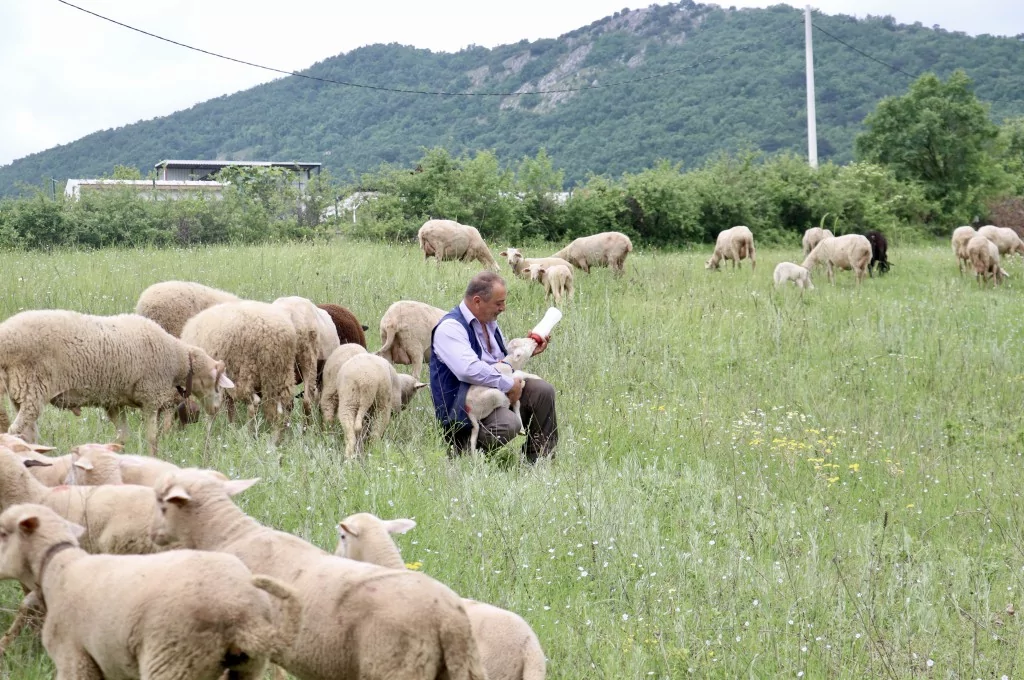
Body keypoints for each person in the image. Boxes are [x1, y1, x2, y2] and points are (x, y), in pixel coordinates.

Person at [429, 271, 558, 462]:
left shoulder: (489, 323)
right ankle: (462, 451)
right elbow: (469, 370)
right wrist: (508, 385)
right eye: (498, 303)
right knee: (508, 423)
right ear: (477, 301)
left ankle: (538, 460)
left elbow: (499, 364)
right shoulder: (450, 328)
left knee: (542, 391)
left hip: (490, 395)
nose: (503, 308)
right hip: (464, 409)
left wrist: (528, 349)